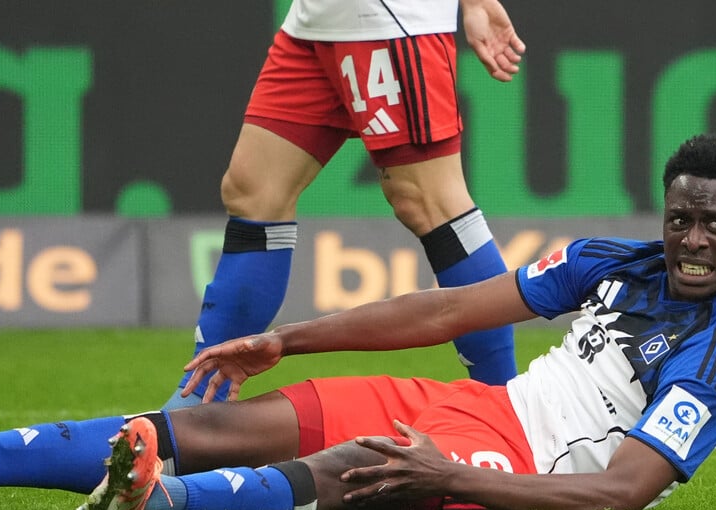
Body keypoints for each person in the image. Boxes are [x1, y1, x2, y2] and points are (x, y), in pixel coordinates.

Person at [0, 133, 716, 510]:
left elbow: (618, 492)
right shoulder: (617, 259)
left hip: (526, 462)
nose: (690, 241)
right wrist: (288, 339)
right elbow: (451, 306)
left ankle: (155, 499)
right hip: (485, 408)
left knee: (354, 464)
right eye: (679, 218)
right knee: (227, 424)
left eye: (713, 226)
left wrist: (449, 474)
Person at [163, 0, 527, 409]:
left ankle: (504, 407)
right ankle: (199, 403)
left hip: (387, 16)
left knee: (431, 201)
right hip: (317, 19)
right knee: (254, 190)